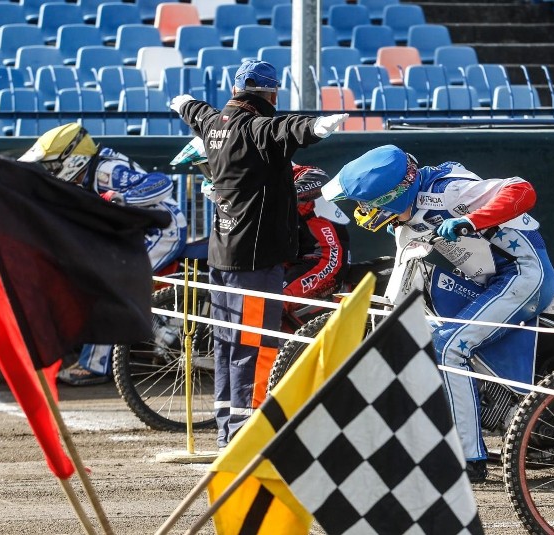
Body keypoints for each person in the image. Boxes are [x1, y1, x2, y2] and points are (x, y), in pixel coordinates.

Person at [321, 144, 554, 482]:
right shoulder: (410, 207)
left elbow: (522, 190)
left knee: (448, 347)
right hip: (489, 279)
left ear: (390, 197)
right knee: (434, 331)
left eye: (364, 204)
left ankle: (469, 460)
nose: (361, 211)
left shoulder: (448, 190)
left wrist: (470, 220)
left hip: (524, 273)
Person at [169, 60, 348, 448]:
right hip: (255, 260)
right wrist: (317, 126)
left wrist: (181, 102)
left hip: (221, 257)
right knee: (256, 347)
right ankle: (248, 436)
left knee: (227, 344)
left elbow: (194, 111)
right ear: (272, 94)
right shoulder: (256, 127)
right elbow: (287, 127)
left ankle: (225, 431)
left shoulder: (214, 123)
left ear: (235, 92)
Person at [18, 122, 188, 386]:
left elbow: (161, 183)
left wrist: (123, 198)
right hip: (138, 232)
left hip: (164, 231)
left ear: (72, 157)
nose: (49, 171)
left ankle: (98, 364)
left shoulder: (107, 170)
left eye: (51, 165)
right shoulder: (87, 173)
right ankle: (155, 333)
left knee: (110, 287)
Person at [283, 164, 351, 321]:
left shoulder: (292, 170)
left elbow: (319, 178)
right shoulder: (237, 181)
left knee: (271, 300)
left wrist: (276, 197)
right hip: (289, 257)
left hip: (326, 257)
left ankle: (265, 345)